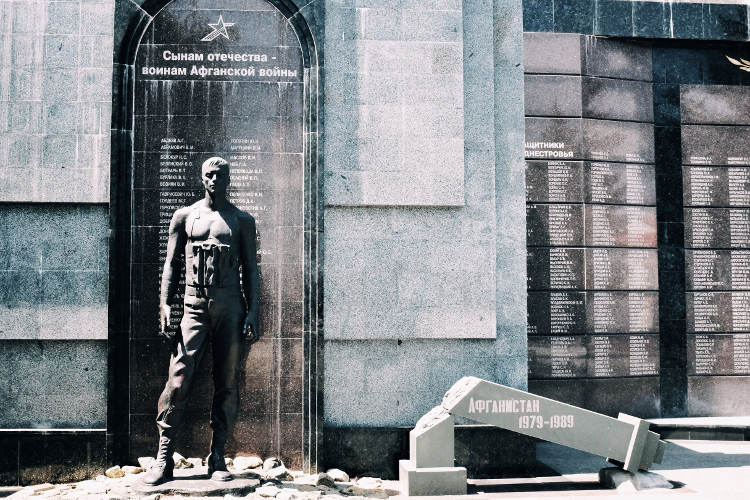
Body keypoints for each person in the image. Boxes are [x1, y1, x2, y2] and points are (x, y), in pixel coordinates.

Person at [142, 156, 260, 485]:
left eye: (220, 175)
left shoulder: (241, 220)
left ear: (228, 180)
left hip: (230, 306)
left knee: (227, 382)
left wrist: (253, 310)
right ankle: (163, 458)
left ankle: (218, 455)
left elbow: (251, 269)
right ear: (201, 177)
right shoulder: (184, 216)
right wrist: (166, 304)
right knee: (178, 382)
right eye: (209, 174)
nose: (214, 180)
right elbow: (171, 264)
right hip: (193, 306)